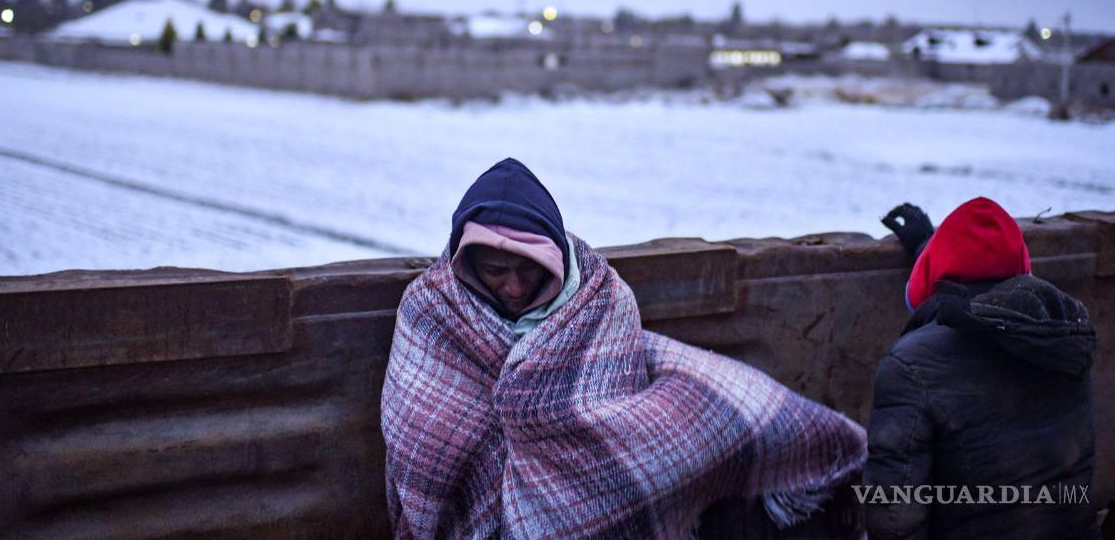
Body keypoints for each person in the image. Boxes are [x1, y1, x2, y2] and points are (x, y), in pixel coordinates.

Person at [382, 158, 867, 539]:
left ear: (554, 259)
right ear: (466, 261)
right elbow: (417, 436)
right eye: (494, 271)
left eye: (528, 270)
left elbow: (607, 417)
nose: (511, 287)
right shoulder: (430, 311)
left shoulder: (602, 302)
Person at [867, 197, 1099, 539]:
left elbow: (893, 519)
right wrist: (926, 246)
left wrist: (932, 258)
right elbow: (985, 288)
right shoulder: (1063, 333)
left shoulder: (911, 366)